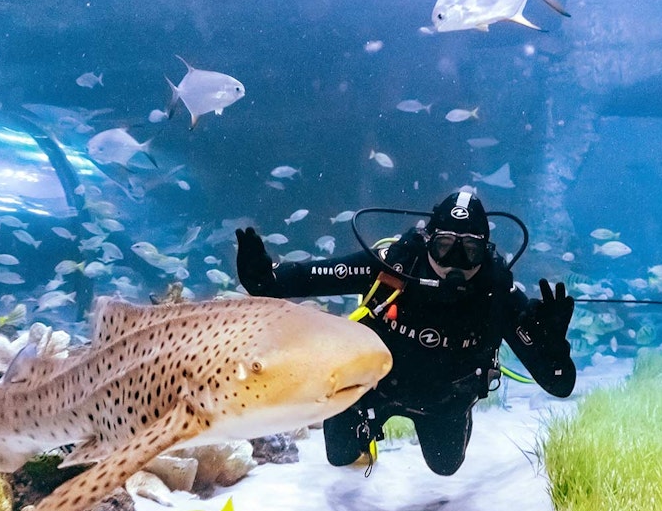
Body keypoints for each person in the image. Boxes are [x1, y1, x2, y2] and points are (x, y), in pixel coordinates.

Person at [235, 190, 576, 475]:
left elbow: (560, 384)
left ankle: (452, 421)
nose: (455, 261)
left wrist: (554, 349)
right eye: (445, 245)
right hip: (374, 389)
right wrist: (263, 278)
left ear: (485, 252)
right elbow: (307, 277)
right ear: (427, 241)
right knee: (338, 457)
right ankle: (366, 431)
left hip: (446, 401)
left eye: (469, 250)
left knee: (445, 467)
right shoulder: (394, 266)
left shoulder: (497, 294)